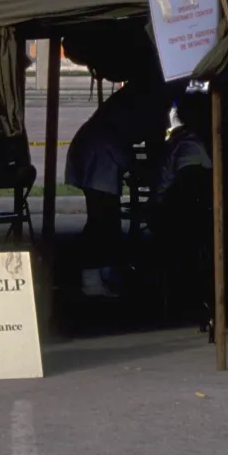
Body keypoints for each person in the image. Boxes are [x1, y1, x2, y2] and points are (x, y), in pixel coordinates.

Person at [66, 72, 179, 297]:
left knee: (106, 219)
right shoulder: (152, 99)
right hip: (99, 153)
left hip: (100, 151)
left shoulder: (143, 94)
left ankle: (103, 272)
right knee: (102, 219)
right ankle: (91, 278)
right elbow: (154, 142)